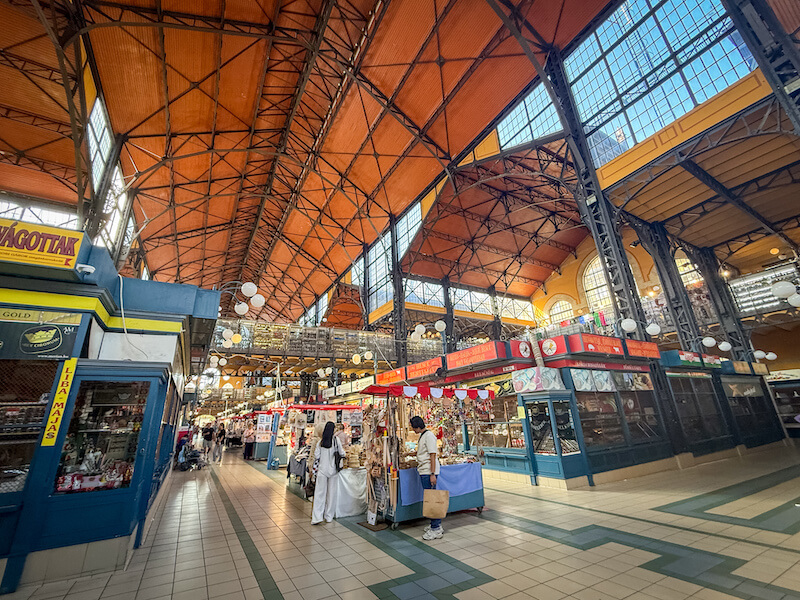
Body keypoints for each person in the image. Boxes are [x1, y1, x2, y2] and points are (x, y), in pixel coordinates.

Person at [410, 416, 443, 540]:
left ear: (417, 426)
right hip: (424, 470)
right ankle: (434, 525)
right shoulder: (423, 435)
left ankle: (436, 528)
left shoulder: (429, 436)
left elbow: (432, 455)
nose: (412, 429)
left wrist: (432, 474)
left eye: (413, 427)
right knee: (429, 499)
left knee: (432, 499)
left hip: (429, 471)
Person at [311, 422, 343, 525]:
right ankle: (329, 516)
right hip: (333, 471)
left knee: (319, 494)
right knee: (331, 494)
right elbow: (342, 453)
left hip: (322, 471)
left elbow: (316, 455)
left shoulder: (320, 442)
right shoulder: (336, 440)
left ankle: (317, 517)